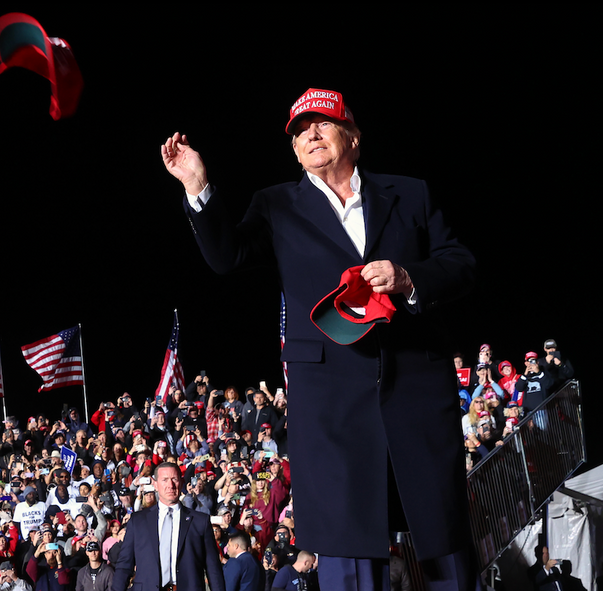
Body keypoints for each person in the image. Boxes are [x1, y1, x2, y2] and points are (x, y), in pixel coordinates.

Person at [160, 88, 475, 589]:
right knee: (349, 556)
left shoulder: (410, 193)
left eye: (322, 123)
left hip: (415, 393)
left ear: (351, 134)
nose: (310, 134)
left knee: (443, 545)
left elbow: (460, 264)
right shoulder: (276, 205)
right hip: (331, 411)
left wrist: (409, 277)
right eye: (299, 130)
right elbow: (227, 256)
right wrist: (197, 186)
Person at [111, 462, 224, 591]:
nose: (170, 485)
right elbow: (125, 565)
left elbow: (213, 567)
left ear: (181, 482)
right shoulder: (138, 521)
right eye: (164, 480)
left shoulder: (200, 521)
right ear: (155, 484)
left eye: (174, 479)